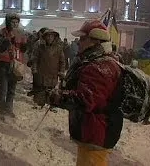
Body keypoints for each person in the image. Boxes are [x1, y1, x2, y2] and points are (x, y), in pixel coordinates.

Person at [49, 20, 123, 166]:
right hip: (92, 131)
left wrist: (55, 97)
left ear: (95, 41)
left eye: (83, 39)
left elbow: (85, 99)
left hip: (96, 132)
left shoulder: (99, 66)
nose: (79, 42)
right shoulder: (95, 62)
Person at [0, 13, 27, 117]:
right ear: (8, 22)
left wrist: (25, 45)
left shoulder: (21, 33)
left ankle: (9, 109)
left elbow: (23, 49)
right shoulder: (2, 32)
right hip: (5, 63)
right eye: (12, 22)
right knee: (3, 88)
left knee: (12, 89)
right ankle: (1, 109)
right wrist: (7, 41)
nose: (14, 24)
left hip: (16, 63)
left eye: (16, 22)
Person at [32, 29, 65, 108]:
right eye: (48, 36)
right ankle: (39, 103)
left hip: (53, 72)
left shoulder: (59, 48)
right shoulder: (40, 47)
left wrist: (61, 71)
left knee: (51, 88)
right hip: (41, 71)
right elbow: (35, 58)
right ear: (45, 37)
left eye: (52, 36)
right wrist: (34, 68)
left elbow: (62, 61)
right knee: (40, 88)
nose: (50, 37)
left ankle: (51, 104)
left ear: (54, 37)